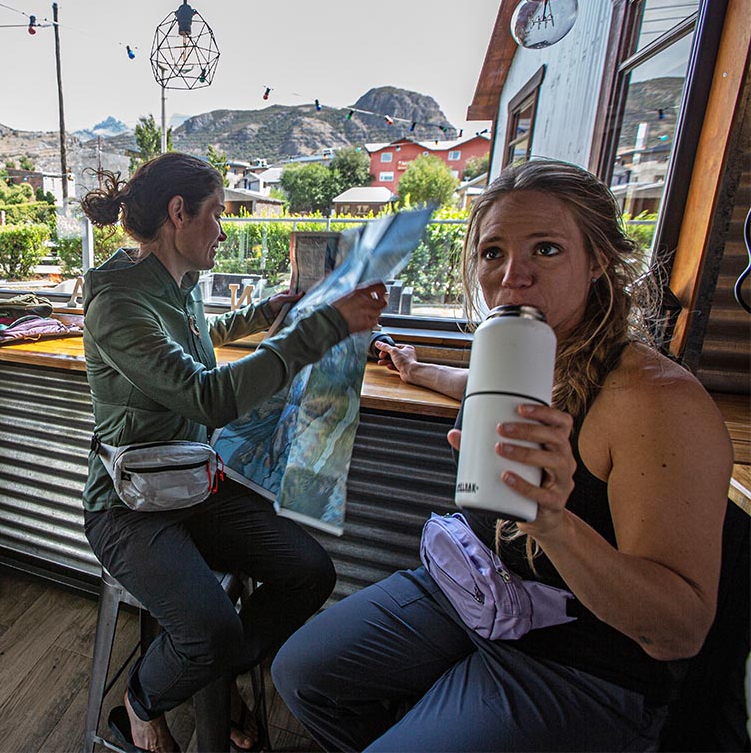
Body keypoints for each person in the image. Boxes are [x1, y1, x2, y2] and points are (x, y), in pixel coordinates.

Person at [271, 158, 734, 752]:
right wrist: (420, 370)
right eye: (493, 253)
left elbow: (680, 631)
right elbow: (480, 387)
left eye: (546, 249)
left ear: (597, 262)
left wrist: (555, 524)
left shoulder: (657, 402)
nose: (514, 275)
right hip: (472, 590)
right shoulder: (520, 351)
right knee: (302, 674)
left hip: (574, 659)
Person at [80, 152, 388, 753]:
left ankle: (210, 676)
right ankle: (141, 701)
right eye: (217, 214)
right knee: (212, 629)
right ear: (179, 213)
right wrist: (319, 328)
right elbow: (209, 395)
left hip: (192, 483)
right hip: (127, 506)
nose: (223, 229)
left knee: (309, 572)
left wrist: (263, 313)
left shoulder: (178, 282)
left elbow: (198, 335)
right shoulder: (118, 303)